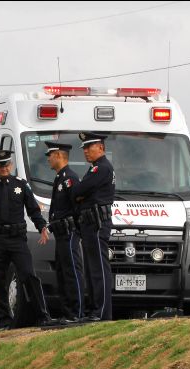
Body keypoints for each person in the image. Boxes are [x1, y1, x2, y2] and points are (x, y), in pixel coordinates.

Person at [0, 150, 54, 329]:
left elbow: (33, 210)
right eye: (0, 165)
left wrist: (42, 227)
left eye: (7, 165)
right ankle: (4, 320)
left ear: (11, 165)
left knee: (29, 275)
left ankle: (42, 316)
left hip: (16, 239)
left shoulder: (21, 185)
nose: (4, 168)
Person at [72, 132, 116, 322]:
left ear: (101, 147)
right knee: (91, 270)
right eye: (84, 148)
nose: (86, 152)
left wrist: (82, 195)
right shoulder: (94, 169)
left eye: (89, 147)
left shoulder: (102, 168)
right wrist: (82, 195)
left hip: (98, 224)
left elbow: (79, 191)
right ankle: (94, 310)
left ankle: (102, 312)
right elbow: (80, 194)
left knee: (99, 269)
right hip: (90, 223)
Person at [45, 141, 85, 325]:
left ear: (59, 155)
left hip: (69, 233)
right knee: (61, 272)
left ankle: (75, 312)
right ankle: (66, 312)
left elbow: (77, 207)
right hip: (60, 232)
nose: (48, 158)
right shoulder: (60, 178)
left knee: (71, 272)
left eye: (50, 154)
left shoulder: (70, 178)